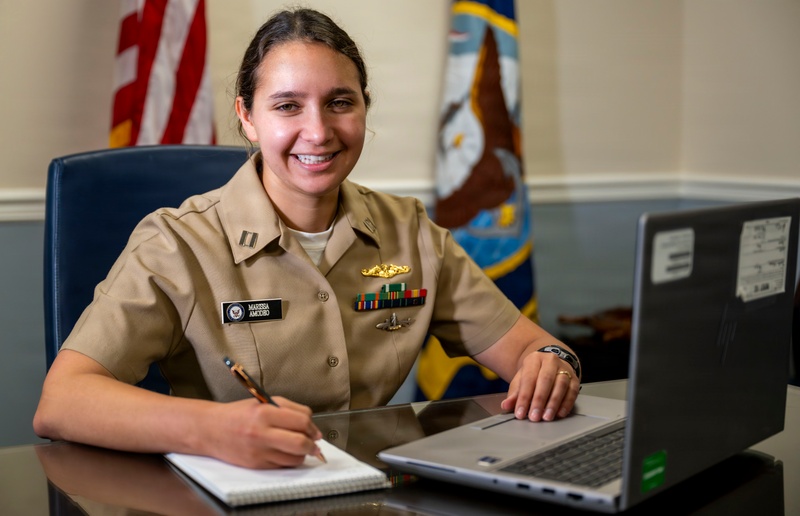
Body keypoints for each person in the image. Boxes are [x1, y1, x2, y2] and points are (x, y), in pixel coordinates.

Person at [34, 7, 582, 469]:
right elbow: (62, 401)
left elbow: (534, 348)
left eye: (341, 102)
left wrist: (552, 362)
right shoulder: (176, 243)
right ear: (247, 117)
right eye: (287, 106)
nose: (318, 132)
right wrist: (210, 428)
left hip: (371, 493)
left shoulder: (411, 231)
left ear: (364, 110)